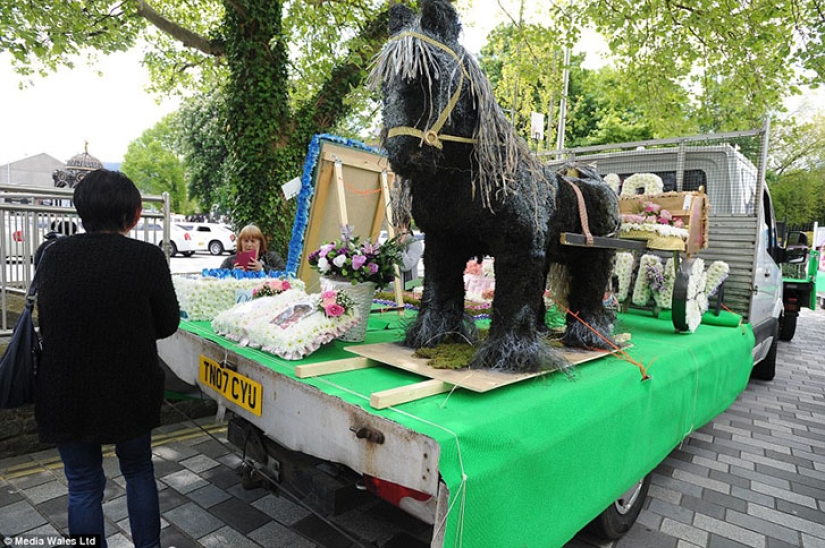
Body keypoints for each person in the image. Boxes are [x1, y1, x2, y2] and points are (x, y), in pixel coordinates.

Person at [35, 169, 180, 548]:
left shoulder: (52, 256)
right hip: (129, 386)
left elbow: (49, 321)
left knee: (82, 484)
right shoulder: (147, 257)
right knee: (138, 470)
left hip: (67, 389)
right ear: (133, 215)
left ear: (81, 212)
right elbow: (167, 323)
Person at [220, 223, 286, 273]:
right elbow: (218, 277)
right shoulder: (229, 261)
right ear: (240, 243)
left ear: (260, 243)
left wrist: (262, 269)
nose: (249, 245)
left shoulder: (271, 258)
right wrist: (233, 272)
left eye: (253, 241)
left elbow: (285, 272)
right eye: (246, 241)